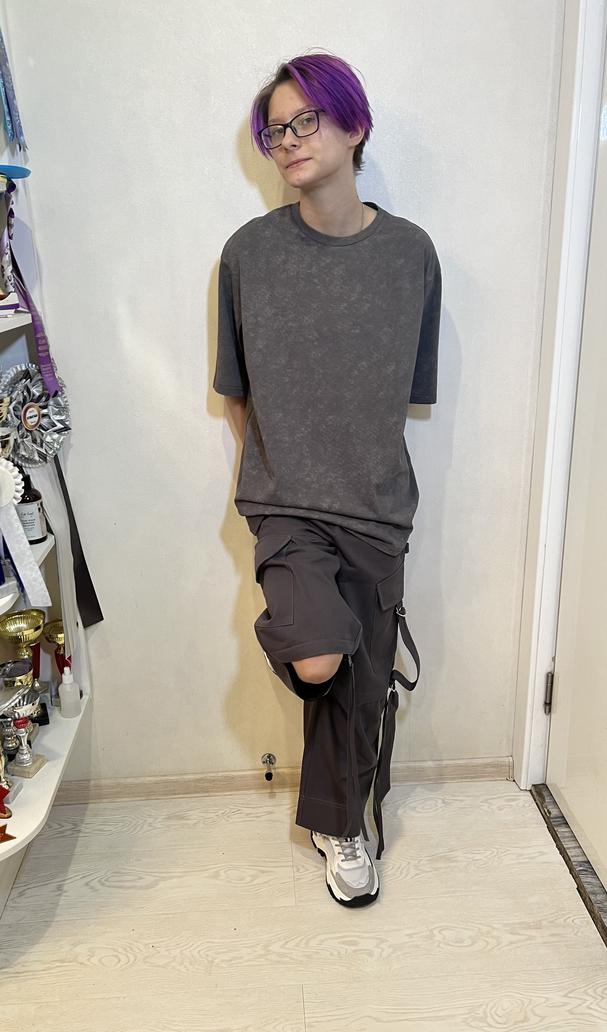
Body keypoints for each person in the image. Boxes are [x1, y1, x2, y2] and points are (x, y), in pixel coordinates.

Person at [213, 50, 442, 907]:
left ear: (354, 125)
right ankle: (337, 804)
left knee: (362, 682)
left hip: (377, 507)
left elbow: (408, 394)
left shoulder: (411, 254)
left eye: (305, 120)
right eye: (275, 130)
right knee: (317, 658)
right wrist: (276, 476)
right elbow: (236, 394)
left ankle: (340, 824)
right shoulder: (248, 254)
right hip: (286, 505)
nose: (288, 140)